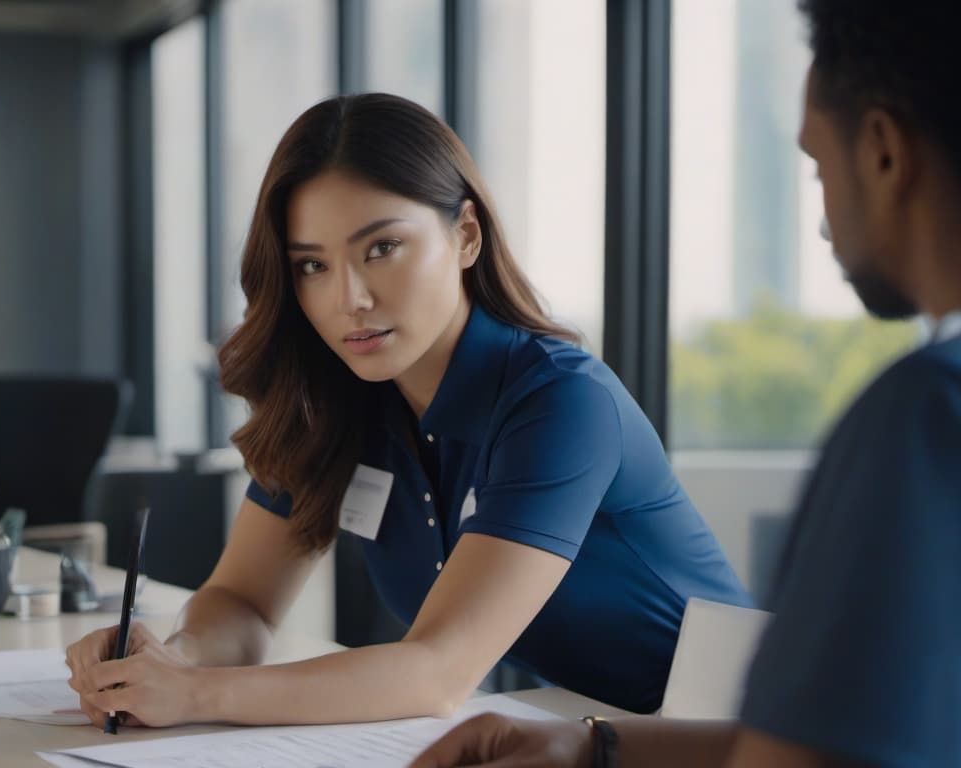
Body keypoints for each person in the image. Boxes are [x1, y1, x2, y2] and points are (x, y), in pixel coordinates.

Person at [64, 93, 748, 729]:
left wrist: (196, 695)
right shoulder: (335, 402)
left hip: (735, 741)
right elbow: (241, 602)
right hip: (578, 731)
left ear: (467, 236)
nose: (349, 299)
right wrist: (169, 660)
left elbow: (435, 674)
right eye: (312, 266)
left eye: (382, 248)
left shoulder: (561, 401)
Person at [411, 1, 961, 766]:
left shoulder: (925, 416)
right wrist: (591, 749)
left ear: (882, 151)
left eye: (815, 164)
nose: (824, 219)